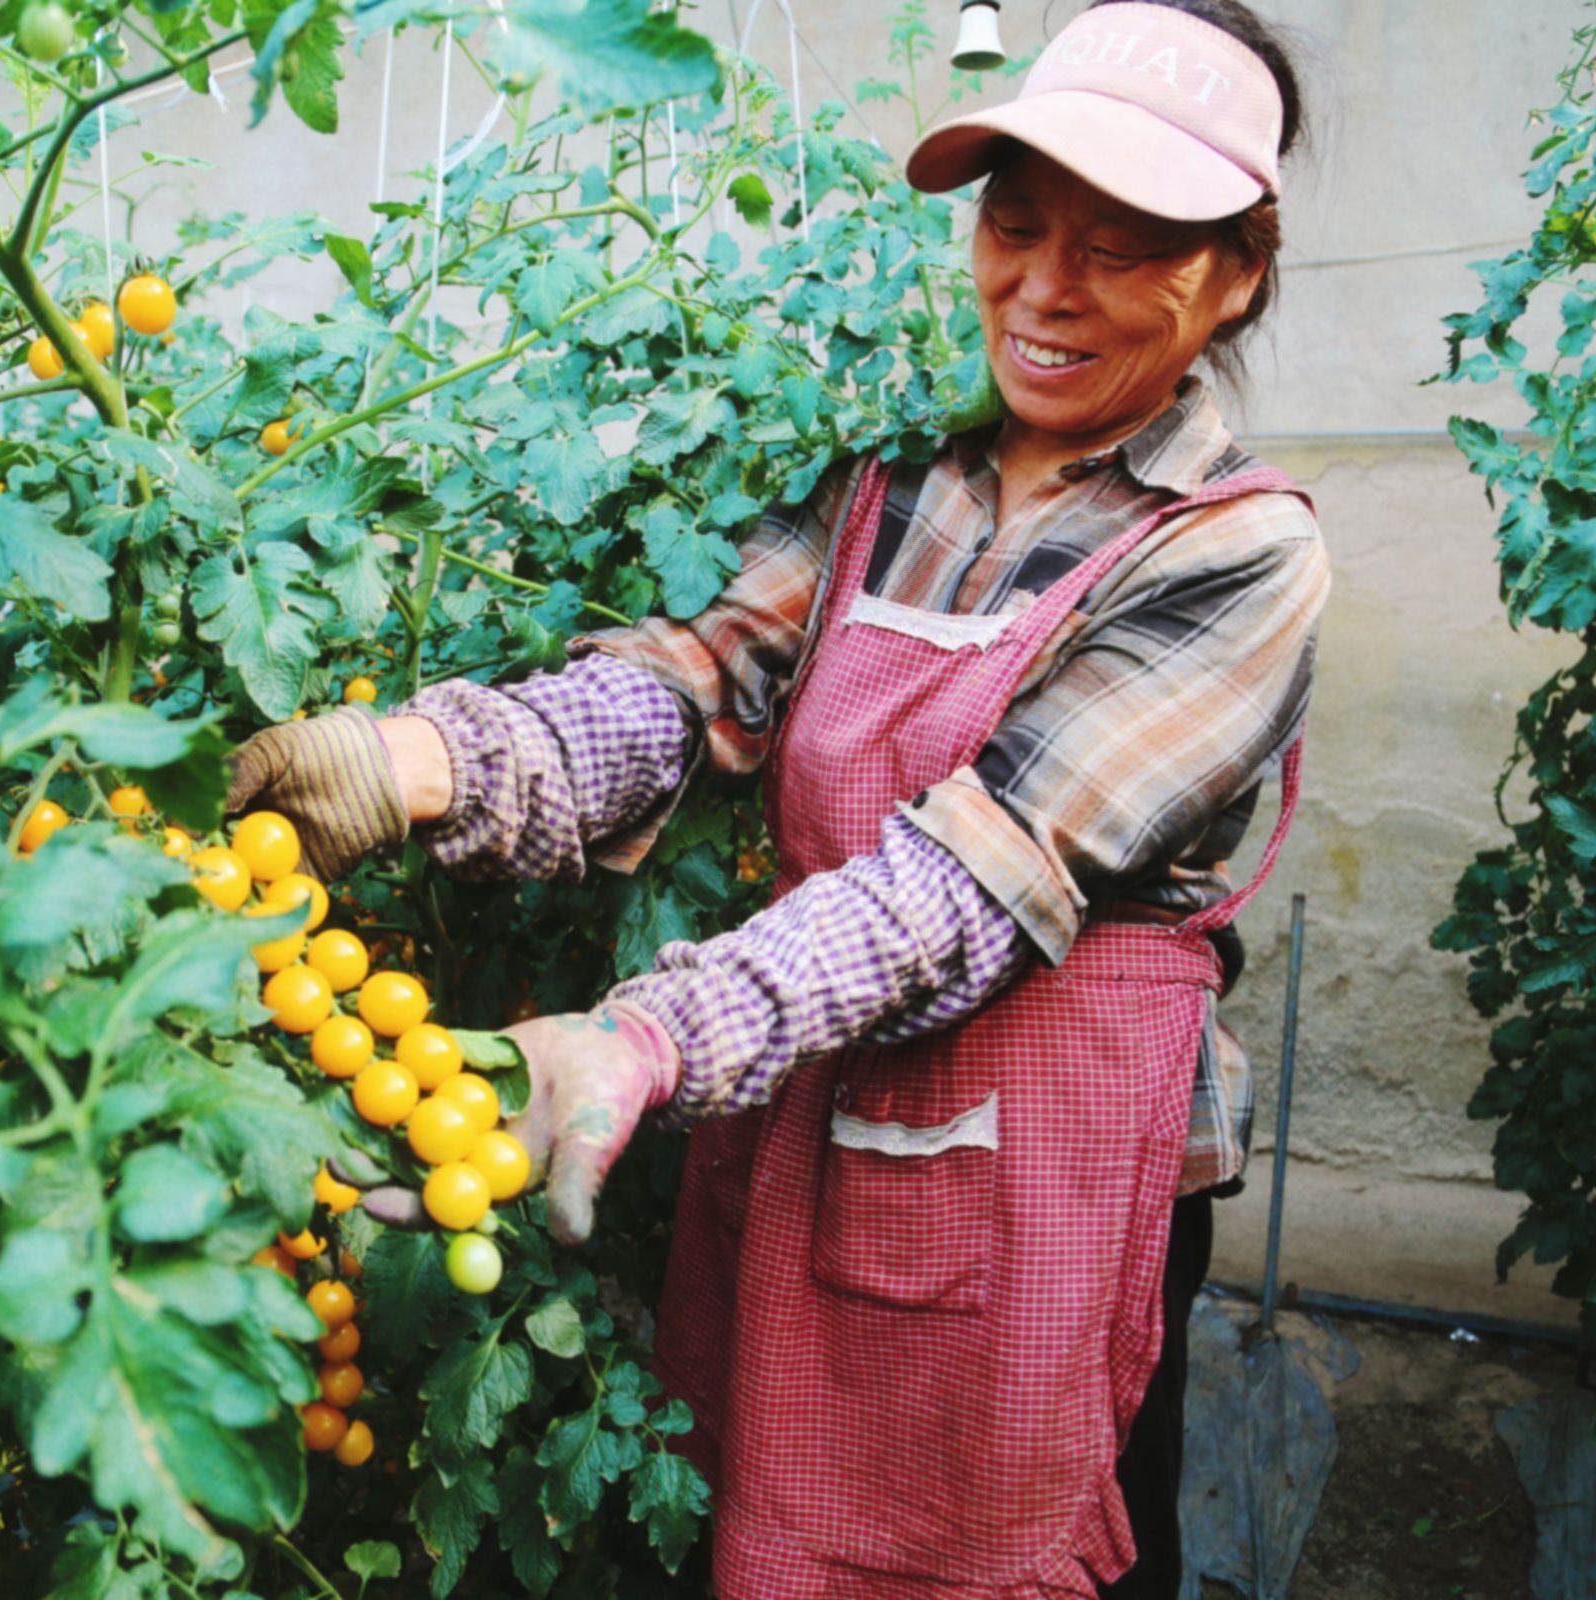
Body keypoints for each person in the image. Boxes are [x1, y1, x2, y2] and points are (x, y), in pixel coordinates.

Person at [224, 2, 1325, 1593]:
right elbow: (691, 681)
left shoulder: (1235, 554)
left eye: (1127, 245)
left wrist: (647, 1035)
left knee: (1000, 1550)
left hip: (1048, 1193)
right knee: (785, 1521)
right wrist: (432, 762)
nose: (1045, 288)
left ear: (1234, 274)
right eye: (1015, 224)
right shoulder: (896, 491)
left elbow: (965, 884)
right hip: (823, 1116)